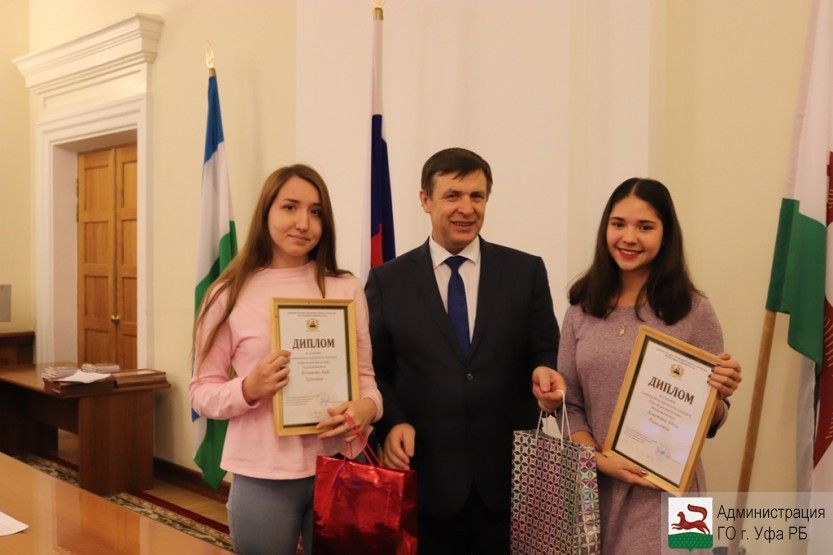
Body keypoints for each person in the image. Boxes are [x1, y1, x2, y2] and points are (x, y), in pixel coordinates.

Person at [365, 147, 565, 554]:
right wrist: (393, 424)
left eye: (477, 196)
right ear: (425, 200)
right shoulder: (388, 281)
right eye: (453, 195)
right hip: (426, 478)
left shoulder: (525, 272)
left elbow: (545, 349)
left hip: (507, 481)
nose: (467, 208)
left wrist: (545, 372)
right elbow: (375, 371)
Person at [189, 165, 383, 555]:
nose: (303, 223)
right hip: (263, 473)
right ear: (266, 212)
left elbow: (367, 379)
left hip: (340, 465)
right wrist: (249, 388)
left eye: (316, 212)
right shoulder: (228, 292)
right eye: (290, 207)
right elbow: (200, 392)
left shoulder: (345, 287)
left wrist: (367, 408)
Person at [559, 177, 742, 554]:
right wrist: (600, 461)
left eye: (645, 227)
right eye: (618, 224)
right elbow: (570, 406)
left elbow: (714, 417)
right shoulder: (580, 310)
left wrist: (718, 394)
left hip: (678, 496)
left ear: (665, 235)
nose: (629, 237)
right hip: (596, 490)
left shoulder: (694, 310)